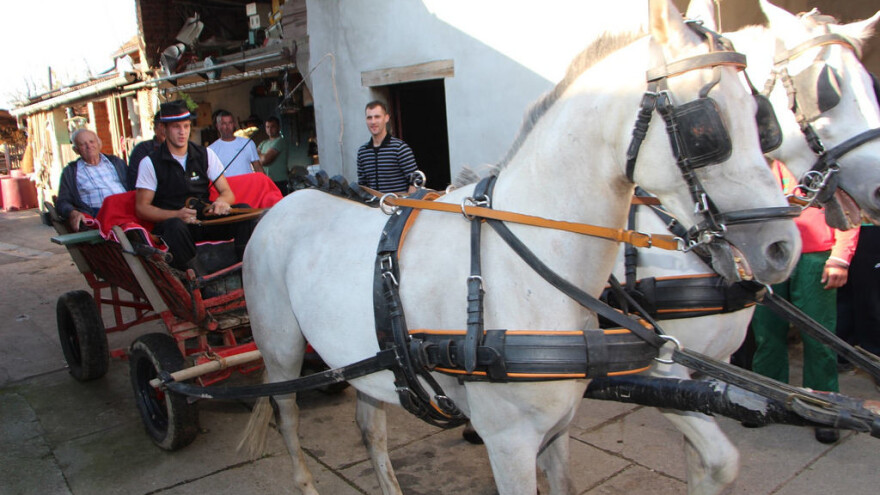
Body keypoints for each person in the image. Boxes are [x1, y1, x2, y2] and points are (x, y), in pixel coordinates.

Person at [749, 159, 859, 445]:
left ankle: (822, 408)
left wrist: (839, 258)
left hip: (814, 258)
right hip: (770, 254)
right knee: (767, 334)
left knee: (819, 338)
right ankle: (767, 399)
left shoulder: (824, 164)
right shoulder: (763, 163)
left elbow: (847, 211)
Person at [135, 101, 250, 274]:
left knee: (245, 212)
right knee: (175, 227)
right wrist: (176, 214)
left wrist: (220, 203)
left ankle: (246, 271)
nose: (183, 132)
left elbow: (227, 193)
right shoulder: (150, 163)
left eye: (186, 126)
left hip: (205, 219)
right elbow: (142, 208)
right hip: (176, 227)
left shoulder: (206, 154)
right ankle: (199, 284)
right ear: (163, 129)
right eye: (176, 127)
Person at [56, 128, 128, 232]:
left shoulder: (116, 162)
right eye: (82, 144)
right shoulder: (71, 172)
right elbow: (62, 202)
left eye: (91, 142)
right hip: (98, 215)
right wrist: (72, 212)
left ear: (99, 144)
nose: (89, 146)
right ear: (76, 150)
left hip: (127, 208)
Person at [836, 223, 880, 379]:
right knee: (861, 301)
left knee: (866, 301)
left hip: (860, 230)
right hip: (857, 230)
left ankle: (850, 356)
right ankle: (847, 356)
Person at [356, 101, 419, 194]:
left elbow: (416, 182)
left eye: (377, 117)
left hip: (397, 207)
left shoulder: (400, 148)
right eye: (369, 118)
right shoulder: (362, 152)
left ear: (386, 118)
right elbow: (362, 185)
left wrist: (406, 206)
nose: (373, 122)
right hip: (372, 207)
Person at [208, 110, 262, 177]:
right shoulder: (211, 150)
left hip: (247, 186)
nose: (227, 127)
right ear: (217, 126)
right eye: (223, 124)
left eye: (230, 123)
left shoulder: (248, 143)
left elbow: (258, 167)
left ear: (234, 124)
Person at [127, 114, 166, 189]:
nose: (165, 130)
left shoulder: (189, 150)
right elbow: (135, 183)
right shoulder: (142, 150)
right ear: (155, 129)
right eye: (162, 126)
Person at [257, 116, 290, 194]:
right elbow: (253, 158)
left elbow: (266, 160)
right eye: (267, 127)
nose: (270, 129)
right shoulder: (263, 143)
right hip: (266, 181)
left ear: (279, 128)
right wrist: (261, 157)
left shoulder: (280, 141)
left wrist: (260, 156)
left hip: (279, 181)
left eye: (273, 127)